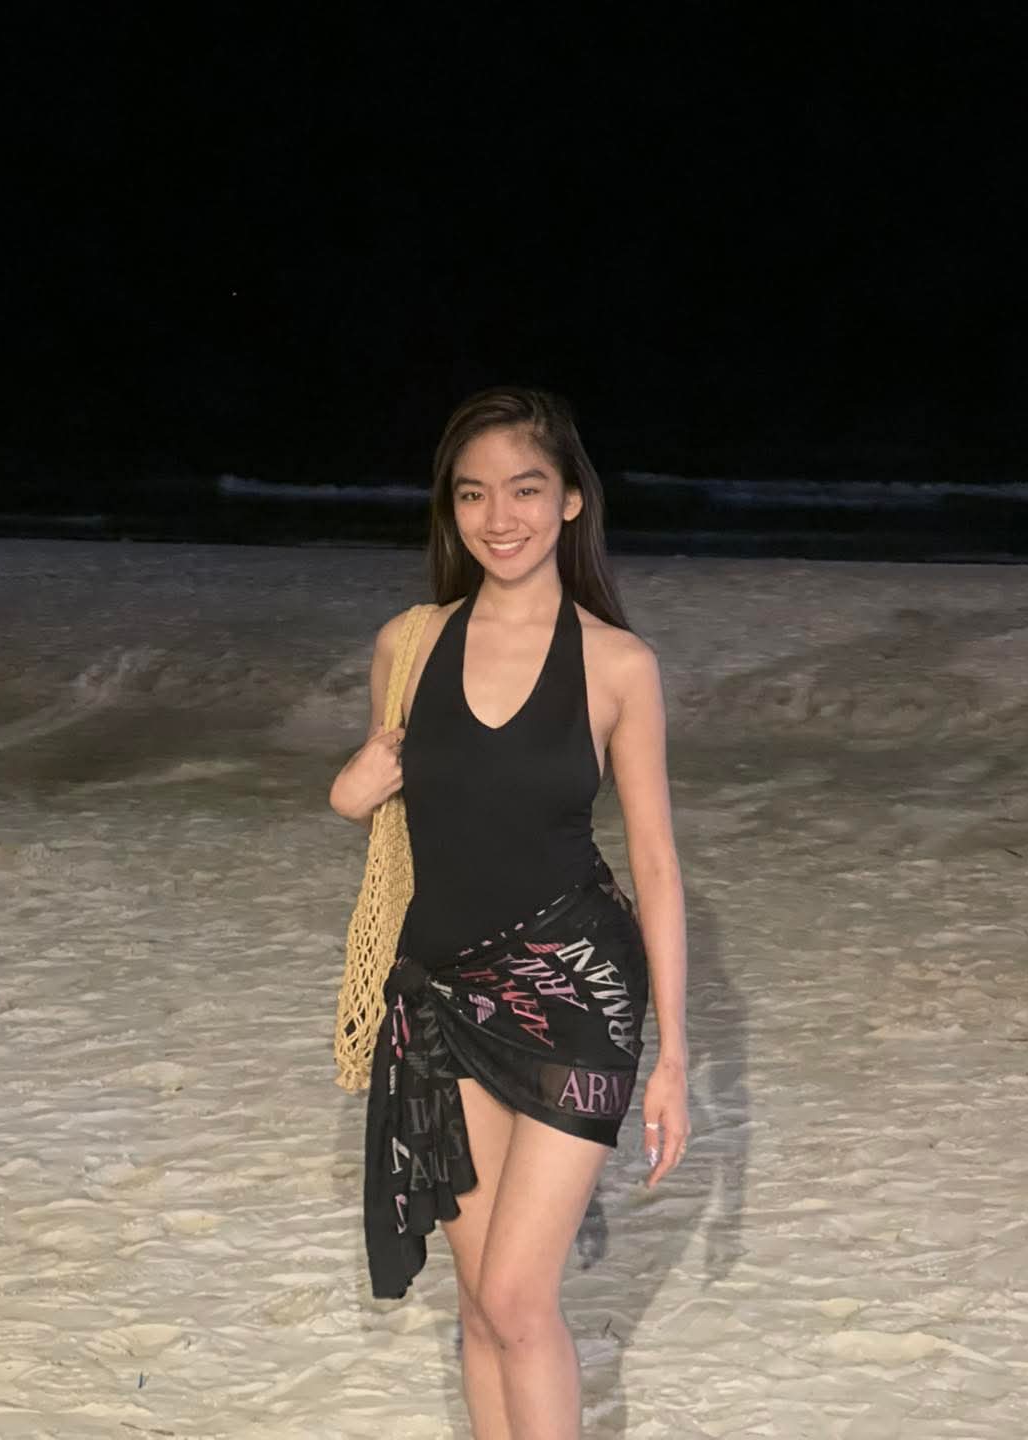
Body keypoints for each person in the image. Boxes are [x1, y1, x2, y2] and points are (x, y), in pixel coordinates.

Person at [329, 386, 689, 1440]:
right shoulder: (408, 646)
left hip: (577, 995)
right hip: (442, 994)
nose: (499, 517)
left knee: (520, 1300)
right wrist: (347, 791)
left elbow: (657, 864)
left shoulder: (618, 665)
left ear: (571, 500)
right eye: (473, 493)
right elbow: (388, 809)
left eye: (526, 490)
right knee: (482, 1304)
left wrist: (673, 1056)